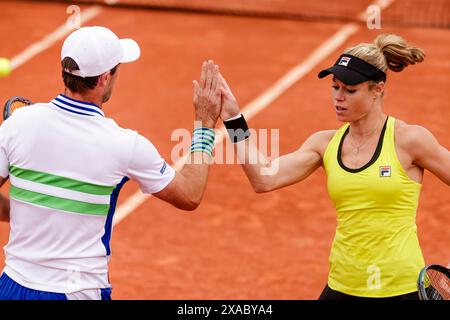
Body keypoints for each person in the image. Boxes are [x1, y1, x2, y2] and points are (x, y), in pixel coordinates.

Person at [219, 33, 450, 300]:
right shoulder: (325, 144)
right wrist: (233, 119)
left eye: (350, 90)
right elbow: (264, 178)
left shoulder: (410, 140)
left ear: (378, 89)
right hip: (342, 286)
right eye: (335, 87)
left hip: (400, 289)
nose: (338, 98)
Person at [0, 26, 222, 300]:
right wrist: (205, 123)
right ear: (104, 78)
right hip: (76, 292)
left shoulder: (19, 124)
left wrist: (25, 209)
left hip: (11, 287)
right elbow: (189, 194)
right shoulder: (125, 145)